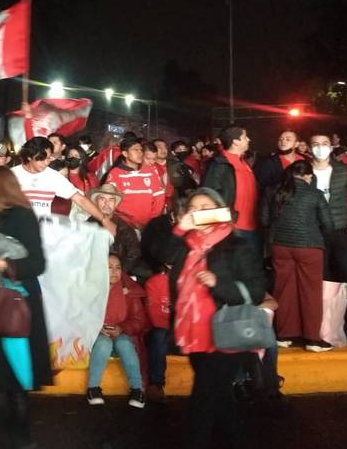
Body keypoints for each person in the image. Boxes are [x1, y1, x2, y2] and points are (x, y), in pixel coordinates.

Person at [166, 188, 266, 449]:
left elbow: (255, 290)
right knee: (219, 397)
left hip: (226, 334)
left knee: (203, 399)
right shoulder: (185, 243)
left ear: (219, 210)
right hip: (193, 333)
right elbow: (159, 255)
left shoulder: (236, 244)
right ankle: (238, 440)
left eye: (205, 206)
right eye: (194, 207)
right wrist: (179, 230)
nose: (199, 211)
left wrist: (218, 283)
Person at [0, 167, 52, 448]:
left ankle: (20, 437)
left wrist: (3, 264)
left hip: (13, 308)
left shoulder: (21, 216)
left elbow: (38, 263)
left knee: (12, 379)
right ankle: (14, 432)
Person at [262, 160, 334, 351]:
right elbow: (329, 225)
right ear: (308, 176)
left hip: (280, 246)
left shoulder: (273, 191)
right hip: (309, 246)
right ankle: (311, 339)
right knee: (310, 292)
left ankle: (284, 335)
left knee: (284, 289)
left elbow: (263, 219)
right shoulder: (315, 194)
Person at [11, 137, 117, 236]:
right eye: (42, 159)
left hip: (42, 235)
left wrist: (104, 219)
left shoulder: (53, 177)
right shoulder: (11, 175)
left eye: (48, 158)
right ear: (29, 156)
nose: (46, 163)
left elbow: (79, 199)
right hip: (16, 232)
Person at [86, 253, 148, 409]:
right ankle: (93, 388)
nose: (114, 271)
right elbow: (80, 315)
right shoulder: (89, 289)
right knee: (103, 345)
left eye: (118, 267)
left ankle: (137, 390)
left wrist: (122, 328)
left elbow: (139, 320)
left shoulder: (129, 292)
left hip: (122, 332)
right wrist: (97, 328)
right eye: (109, 267)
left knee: (125, 345)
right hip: (98, 334)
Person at [202, 127, 259, 253]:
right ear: (235, 141)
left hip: (251, 227)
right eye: (245, 137)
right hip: (233, 229)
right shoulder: (219, 164)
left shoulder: (244, 162)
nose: (249, 139)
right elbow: (207, 197)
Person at [307, 134, 347, 286]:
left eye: (325, 143)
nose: (320, 147)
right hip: (312, 230)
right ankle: (325, 308)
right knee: (320, 274)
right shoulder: (301, 171)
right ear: (309, 148)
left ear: (331, 147)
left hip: (339, 230)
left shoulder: (345, 171)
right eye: (316, 144)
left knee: (345, 270)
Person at [87, 184, 149, 280]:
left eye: (111, 200)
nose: (107, 203)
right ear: (96, 202)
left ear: (115, 204)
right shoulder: (87, 226)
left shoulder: (124, 228)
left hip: (120, 274)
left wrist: (117, 273)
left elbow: (134, 253)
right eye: (102, 199)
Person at [104, 138, 165, 230]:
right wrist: (127, 223)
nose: (140, 153)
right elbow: (110, 201)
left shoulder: (150, 171)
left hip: (149, 226)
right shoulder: (115, 174)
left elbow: (159, 198)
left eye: (141, 150)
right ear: (125, 153)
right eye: (135, 150)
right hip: (125, 227)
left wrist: (151, 222)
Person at [144, 263, 172, 403]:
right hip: (165, 330)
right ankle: (156, 385)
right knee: (159, 335)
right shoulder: (154, 282)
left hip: (187, 330)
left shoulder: (192, 279)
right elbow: (156, 318)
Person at [255, 130, 302, 194]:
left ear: (296, 144)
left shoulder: (303, 160)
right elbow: (263, 187)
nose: (283, 141)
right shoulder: (269, 162)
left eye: (288, 139)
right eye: (281, 139)